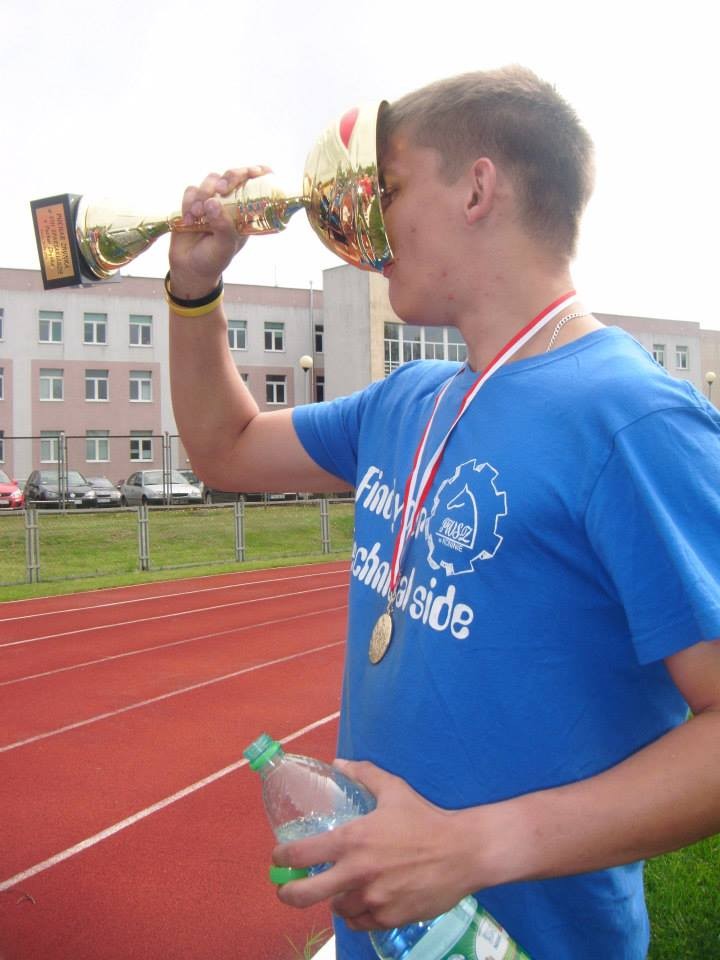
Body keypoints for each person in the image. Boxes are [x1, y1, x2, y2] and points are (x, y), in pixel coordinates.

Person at [167, 67, 720, 959]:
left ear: (476, 188)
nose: (371, 226)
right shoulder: (408, 399)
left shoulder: (633, 418)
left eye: (387, 190)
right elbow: (224, 448)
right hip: (386, 936)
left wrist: (471, 848)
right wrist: (193, 291)